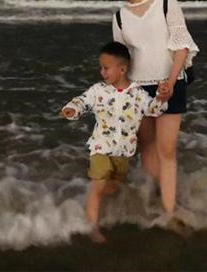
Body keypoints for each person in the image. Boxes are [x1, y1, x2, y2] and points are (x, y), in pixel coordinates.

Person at [109, 0, 198, 229]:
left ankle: (169, 212)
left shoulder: (166, 2)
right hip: (138, 89)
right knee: (146, 146)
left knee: (166, 149)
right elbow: (121, 61)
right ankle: (160, 192)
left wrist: (170, 82)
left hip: (170, 84)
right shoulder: (119, 17)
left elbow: (181, 46)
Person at [61, 41, 167, 243]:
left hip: (124, 151)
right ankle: (92, 227)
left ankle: (110, 208)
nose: (102, 72)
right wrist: (72, 109)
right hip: (101, 147)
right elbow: (82, 101)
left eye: (106, 68)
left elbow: (153, 109)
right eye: (100, 68)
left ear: (123, 69)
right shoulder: (98, 91)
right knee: (98, 185)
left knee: (113, 187)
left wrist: (162, 97)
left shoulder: (137, 94)